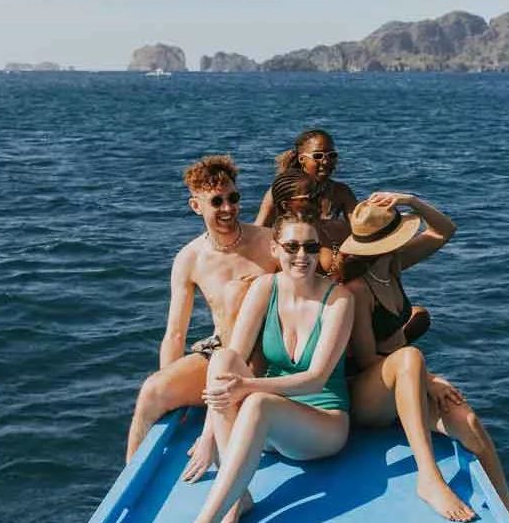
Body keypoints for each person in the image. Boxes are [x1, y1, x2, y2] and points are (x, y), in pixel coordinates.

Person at [338, 193, 509, 522]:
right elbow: (366, 360)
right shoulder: (357, 291)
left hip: (407, 381)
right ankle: (429, 477)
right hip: (369, 397)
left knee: (468, 422)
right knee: (410, 356)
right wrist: (428, 379)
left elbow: (444, 231)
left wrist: (412, 201)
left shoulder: (392, 266)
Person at [194, 212, 355, 523]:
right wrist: (207, 435)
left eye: (310, 247)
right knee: (223, 358)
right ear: (275, 248)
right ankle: (239, 495)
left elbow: (315, 379)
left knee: (257, 403)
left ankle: (210, 519)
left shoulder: (339, 300)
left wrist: (248, 387)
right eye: (292, 246)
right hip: (266, 427)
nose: (301, 256)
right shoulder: (265, 288)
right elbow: (232, 361)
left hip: (322, 424)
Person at [125, 155, 276, 465]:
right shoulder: (190, 258)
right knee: (151, 392)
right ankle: (130, 485)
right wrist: (172, 388)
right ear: (196, 206)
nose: (228, 208)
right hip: (221, 353)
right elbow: (175, 333)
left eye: (233, 198)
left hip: (268, 354)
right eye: (216, 201)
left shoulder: (267, 242)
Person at [269, 168, 431, 345]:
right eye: (311, 197)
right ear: (286, 205)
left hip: (355, 305)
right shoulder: (285, 246)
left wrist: (409, 203)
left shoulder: (334, 228)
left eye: (319, 193)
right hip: (323, 318)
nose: (320, 201)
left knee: (419, 316)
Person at [254, 129, 357, 227]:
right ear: (302, 159)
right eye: (318, 156)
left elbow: (359, 226)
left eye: (332, 155)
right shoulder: (282, 191)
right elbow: (260, 230)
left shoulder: (341, 192)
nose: (326, 161)